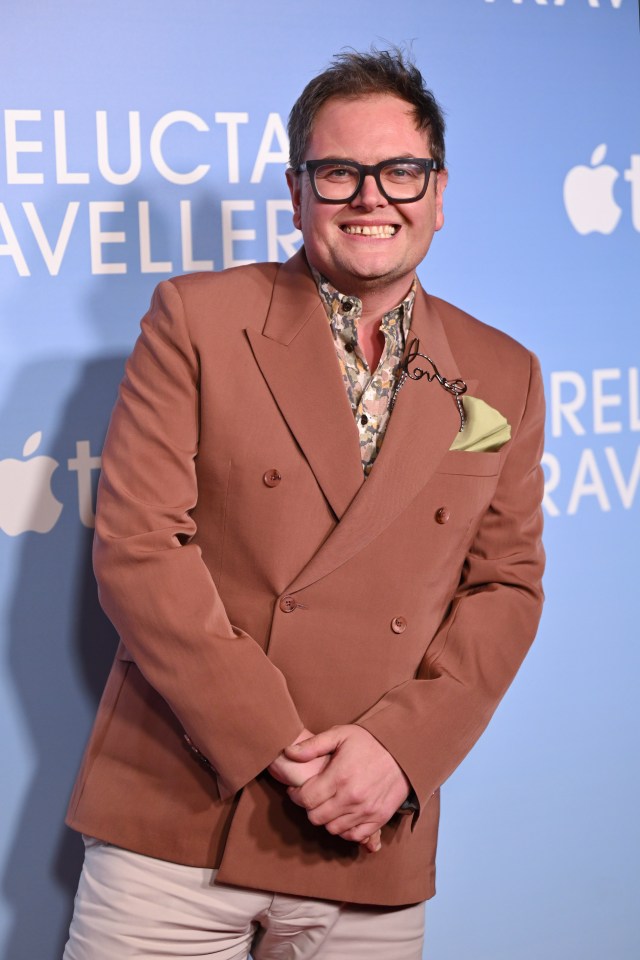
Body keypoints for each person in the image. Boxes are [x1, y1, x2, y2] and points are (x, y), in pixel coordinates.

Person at [63, 48, 545, 960]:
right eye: (339, 173)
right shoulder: (197, 320)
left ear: (438, 194)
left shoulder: (504, 375)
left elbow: (505, 586)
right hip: (180, 822)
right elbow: (139, 546)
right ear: (297, 192)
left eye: (401, 171)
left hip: (368, 837)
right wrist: (271, 737)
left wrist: (399, 757)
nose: (373, 198)